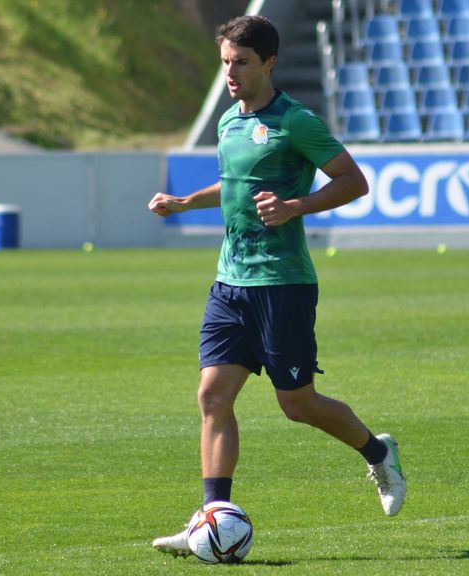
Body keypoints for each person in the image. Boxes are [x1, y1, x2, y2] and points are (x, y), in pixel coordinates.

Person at [148, 15, 406, 556]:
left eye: (241, 62)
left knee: (297, 404)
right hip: (229, 282)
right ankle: (212, 520)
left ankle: (378, 455)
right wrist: (183, 203)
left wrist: (297, 207)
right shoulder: (227, 122)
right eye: (224, 62)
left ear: (269, 62)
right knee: (212, 395)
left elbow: (354, 181)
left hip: (282, 284)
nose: (231, 73)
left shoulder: (296, 121)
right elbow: (234, 184)